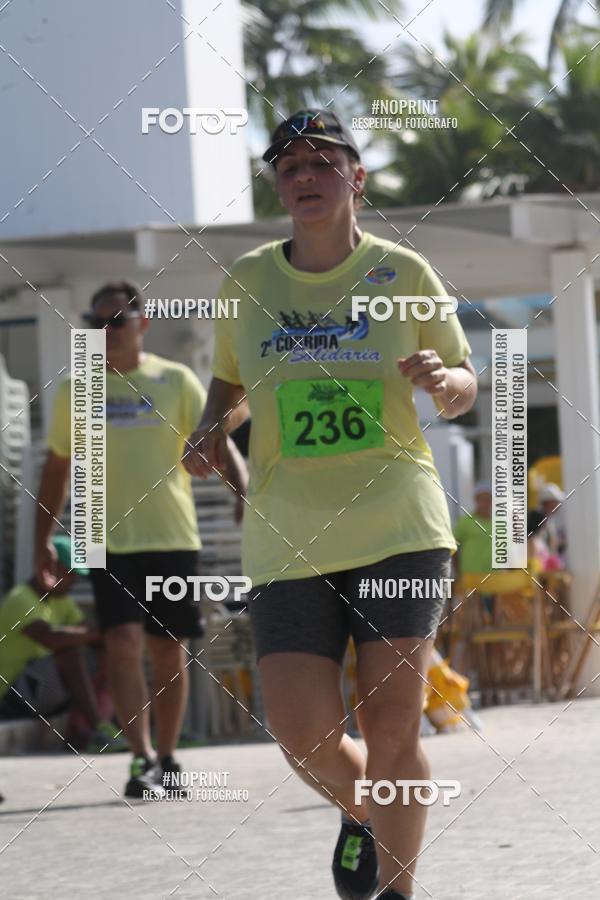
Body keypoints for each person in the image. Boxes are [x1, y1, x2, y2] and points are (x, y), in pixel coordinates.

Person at [183, 109, 477, 899]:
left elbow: (463, 380)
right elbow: (232, 384)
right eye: (289, 168)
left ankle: (398, 888)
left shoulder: (403, 272)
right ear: (279, 186)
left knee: (391, 727)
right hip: (288, 536)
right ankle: (367, 816)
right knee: (302, 734)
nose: (305, 177)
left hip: (398, 525)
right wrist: (213, 426)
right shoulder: (247, 280)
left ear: (357, 177)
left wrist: (443, 384)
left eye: (322, 162)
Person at [34, 281, 247, 799]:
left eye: (117, 321)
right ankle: (141, 757)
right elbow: (59, 465)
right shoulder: (77, 388)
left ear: (142, 324)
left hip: (170, 535)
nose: (106, 332)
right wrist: (42, 537)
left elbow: (216, 435)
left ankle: (169, 757)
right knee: (122, 643)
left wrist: (244, 490)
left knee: (168, 650)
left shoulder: (174, 380)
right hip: (101, 537)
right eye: (96, 323)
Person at [0, 536, 121, 751]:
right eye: (71, 573)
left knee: (109, 651)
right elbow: (51, 638)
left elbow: (92, 634)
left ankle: (119, 726)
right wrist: (93, 634)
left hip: (38, 689)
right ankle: (98, 728)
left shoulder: (60, 600)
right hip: (10, 696)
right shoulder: (20, 599)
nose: (74, 581)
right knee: (69, 654)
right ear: (50, 566)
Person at [453, 482, 494, 617]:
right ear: (476, 500)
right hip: (471, 579)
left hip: (495, 580)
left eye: (489, 499)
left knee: (494, 616)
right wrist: (458, 572)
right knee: (472, 619)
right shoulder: (466, 522)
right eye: (482, 499)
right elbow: (453, 546)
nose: (486, 503)